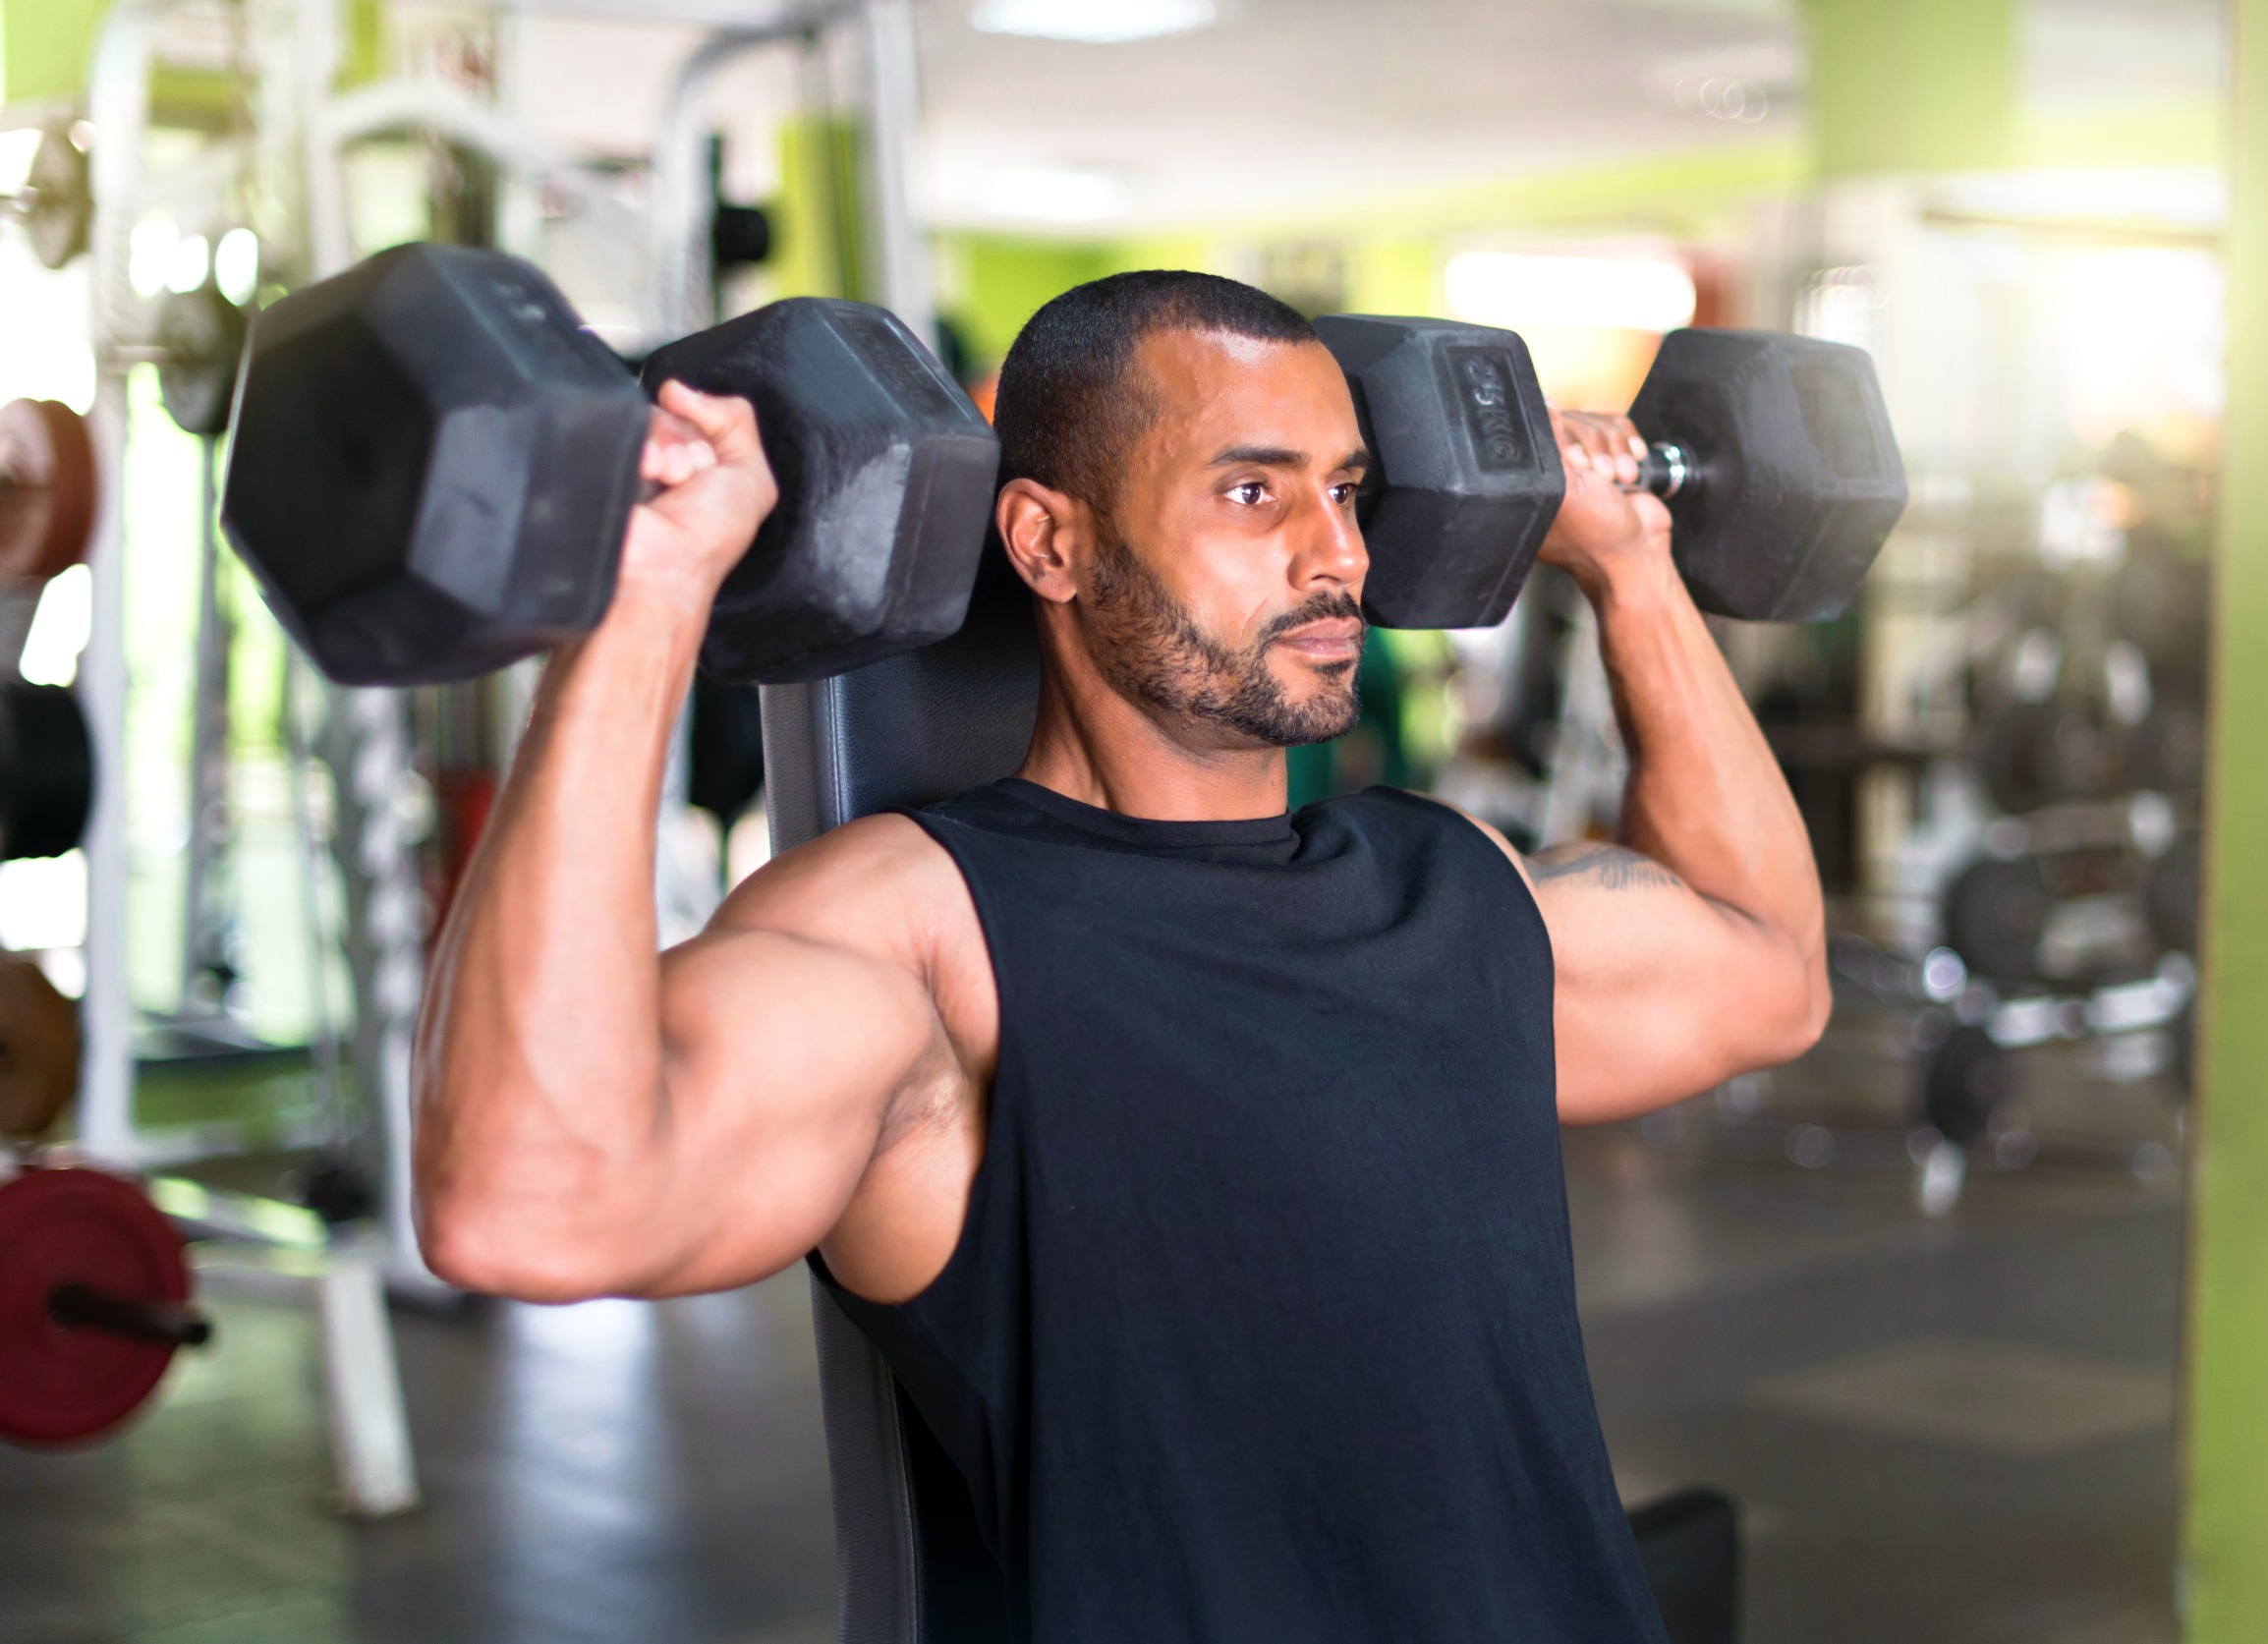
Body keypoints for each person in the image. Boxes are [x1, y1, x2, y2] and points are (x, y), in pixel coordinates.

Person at [416, 272, 1829, 1641]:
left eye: (1343, 489)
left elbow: (1769, 965)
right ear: (1050, 542)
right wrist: (647, 587)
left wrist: (1630, 564)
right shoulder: (935, 937)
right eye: (1252, 490)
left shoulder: (1444, 882)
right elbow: (531, 1203)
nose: (1339, 553)